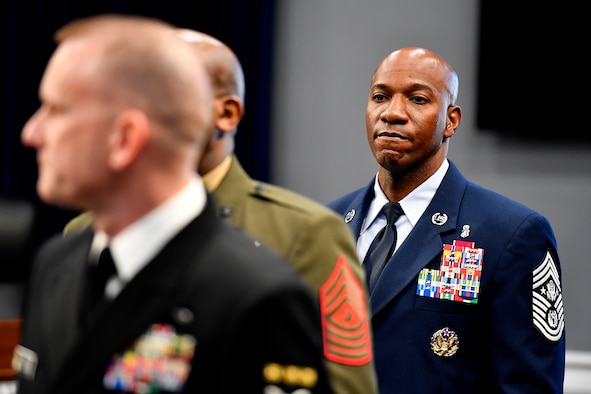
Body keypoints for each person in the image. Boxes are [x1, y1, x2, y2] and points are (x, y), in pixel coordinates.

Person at [14, 14, 335, 394]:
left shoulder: (257, 296)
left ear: (125, 138)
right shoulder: (56, 263)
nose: (31, 133)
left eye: (57, 110)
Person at [327, 47, 566, 393]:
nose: (392, 113)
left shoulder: (512, 235)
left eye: (418, 99)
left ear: (451, 121)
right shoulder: (327, 225)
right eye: (380, 97)